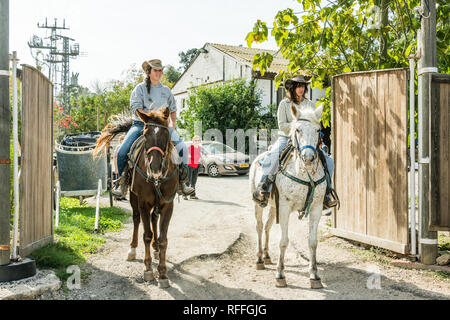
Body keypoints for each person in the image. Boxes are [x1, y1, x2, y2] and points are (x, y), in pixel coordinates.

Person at [252, 74, 338, 209]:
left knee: (328, 160)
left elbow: (314, 123)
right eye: (298, 86)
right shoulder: (284, 104)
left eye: (303, 86)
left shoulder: (309, 104)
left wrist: (310, 133)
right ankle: (263, 187)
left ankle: (327, 192)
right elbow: (281, 125)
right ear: (292, 88)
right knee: (273, 155)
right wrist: (297, 128)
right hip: (286, 137)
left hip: (306, 140)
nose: (301, 89)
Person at [112, 59, 194, 197]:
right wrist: (151, 119)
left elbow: (173, 109)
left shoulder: (166, 90)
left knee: (183, 149)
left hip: (163, 127)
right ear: (149, 72)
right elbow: (136, 108)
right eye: (156, 70)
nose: (159, 73)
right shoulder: (139, 89)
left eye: (161, 70)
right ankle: (122, 183)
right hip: (141, 124)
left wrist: (172, 126)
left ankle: (183, 182)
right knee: (122, 151)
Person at [185, 135, 203, 200]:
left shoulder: (199, 148)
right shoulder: (190, 147)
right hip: (189, 166)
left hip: (196, 166)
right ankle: (185, 195)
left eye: (198, 140)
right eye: (196, 140)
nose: (197, 141)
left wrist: (202, 158)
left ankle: (192, 195)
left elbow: (200, 155)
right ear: (193, 141)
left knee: (194, 181)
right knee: (188, 181)